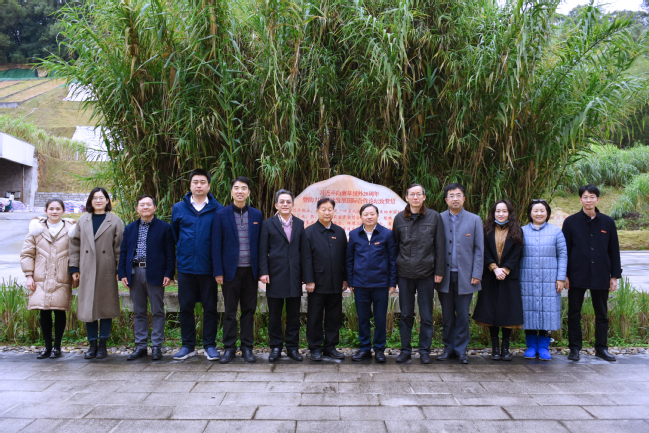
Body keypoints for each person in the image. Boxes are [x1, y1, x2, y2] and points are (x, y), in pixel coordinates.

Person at [563, 185, 622, 362]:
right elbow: (565, 250)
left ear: (598, 199)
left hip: (601, 273)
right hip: (576, 273)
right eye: (585, 197)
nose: (588, 200)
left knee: (602, 313)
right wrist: (564, 274)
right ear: (580, 199)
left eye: (592, 196)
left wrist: (614, 276)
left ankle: (601, 348)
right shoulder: (570, 222)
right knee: (574, 312)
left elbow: (614, 250)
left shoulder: (608, 222)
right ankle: (574, 348)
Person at [171, 169, 223, 361]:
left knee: (210, 308)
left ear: (209, 185)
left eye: (202, 182)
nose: (199, 185)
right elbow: (175, 234)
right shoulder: (179, 208)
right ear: (190, 185)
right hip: (185, 267)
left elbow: (220, 238)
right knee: (185, 307)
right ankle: (188, 345)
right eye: (195, 182)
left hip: (208, 268)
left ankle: (210, 345)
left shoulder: (218, 209)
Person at [392, 183, 445, 364]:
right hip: (404, 274)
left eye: (418, 194)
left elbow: (439, 246)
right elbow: (395, 247)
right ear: (406, 197)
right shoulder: (399, 219)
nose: (415, 197)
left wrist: (439, 271)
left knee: (426, 315)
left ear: (424, 197)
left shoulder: (434, 217)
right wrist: (394, 275)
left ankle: (424, 351)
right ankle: (405, 350)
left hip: (426, 274)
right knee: (406, 314)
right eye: (412, 194)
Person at [69, 188, 125, 359]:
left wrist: (119, 269)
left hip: (106, 269)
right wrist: (74, 268)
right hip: (86, 269)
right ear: (90, 201)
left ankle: (103, 345)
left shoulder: (115, 221)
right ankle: (92, 344)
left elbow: (119, 247)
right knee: (88, 307)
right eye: (95, 198)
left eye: (102, 198)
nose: (98, 201)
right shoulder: (83, 220)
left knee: (106, 307)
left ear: (107, 200)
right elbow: (74, 245)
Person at [118, 195, 175, 361]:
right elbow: (123, 252)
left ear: (154, 208)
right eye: (141, 205)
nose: (145, 207)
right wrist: (122, 273)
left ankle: (157, 346)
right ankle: (141, 346)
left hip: (155, 273)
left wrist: (168, 273)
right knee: (139, 311)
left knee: (158, 310)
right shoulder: (130, 228)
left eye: (148, 204)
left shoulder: (165, 228)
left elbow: (170, 253)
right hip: (134, 272)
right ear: (137, 208)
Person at [213, 176, 263, 363]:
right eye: (236, 188)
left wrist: (261, 271)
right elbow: (216, 245)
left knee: (249, 310)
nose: (240, 191)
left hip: (250, 271)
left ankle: (247, 347)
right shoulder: (221, 214)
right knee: (230, 311)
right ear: (231, 191)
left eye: (244, 188)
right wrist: (218, 271)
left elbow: (261, 245)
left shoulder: (257, 215)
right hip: (229, 272)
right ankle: (229, 348)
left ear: (249, 192)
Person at [20, 199, 76, 359]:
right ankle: (47, 346)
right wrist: (29, 275)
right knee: (44, 311)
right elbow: (27, 254)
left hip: (62, 277)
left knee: (60, 311)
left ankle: (57, 347)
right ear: (46, 211)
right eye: (51, 208)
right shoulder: (36, 229)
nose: (54, 211)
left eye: (58, 208)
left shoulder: (71, 230)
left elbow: (75, 253)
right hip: (41, 277)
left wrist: (75, 272)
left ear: (63, 211)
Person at [472, 200, 524, 361]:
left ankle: (505, 348)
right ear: (493, 213)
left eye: (504, 211)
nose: (501, 214)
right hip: (490, 275)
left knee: (507, 311)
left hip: (509, 276)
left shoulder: (517, 230)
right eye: (498, 211)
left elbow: (517, 252)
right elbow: (483, 250)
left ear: (509, 213)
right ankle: (495, 347)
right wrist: (494, 268)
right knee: (491, 312)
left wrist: (506, 269)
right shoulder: (486, 230)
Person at [437, 183, 484, 365]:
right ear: (446, 200)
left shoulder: (474, 220)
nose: (455, 199)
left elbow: (479, 249)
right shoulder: (439, 218)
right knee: (447, 315)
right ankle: (448, 348)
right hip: (445, 275)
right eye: (451, 195)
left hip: (466, 275)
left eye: (458, 195)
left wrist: (477, 273)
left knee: (463, 315)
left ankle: (461, 349)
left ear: (464, 198)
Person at [347, 204, 397, 363]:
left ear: (377, 215)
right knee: (363, 318)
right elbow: (349, 259)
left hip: (381, 284)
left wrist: (392, 282)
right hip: (360, 284)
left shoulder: (387, 234)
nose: (369, 217)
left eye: (372, 214)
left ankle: (380, 349)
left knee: (380, 319)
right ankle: (364, 349)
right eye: (366, 214)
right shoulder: (354, 234)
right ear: (361, 216)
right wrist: (351, 281)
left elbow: (392, 260)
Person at [259, 189, 305, 362]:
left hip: (294, 275)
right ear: (276, 205)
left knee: (294, 314)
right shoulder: (267, 224)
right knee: (274, 315)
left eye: (288, 202)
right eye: (282, 202)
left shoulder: (299, 223)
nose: (285, 204)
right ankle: (276, 347)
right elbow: (262, 250)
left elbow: (303, 252)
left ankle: (293, 347)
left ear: (293, 205)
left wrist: (305, 276)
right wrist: (264, 271)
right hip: (275, 274)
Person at [520, 200, 567, 361]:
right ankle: (531, 346)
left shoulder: (556, 232)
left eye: (542, 211)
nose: (539, 214)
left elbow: (562, 255)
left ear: (547, 213)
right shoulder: (522, 231)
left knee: (548, 313)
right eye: (536, 211)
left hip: (550, 281)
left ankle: (544, 346)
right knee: (529, 312)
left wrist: (561, 278)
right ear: (530, 213)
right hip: (527, 279)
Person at [302, 198, 348, 361]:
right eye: (323, 209)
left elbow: (344, 257)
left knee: (334, 316)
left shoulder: (339, 232)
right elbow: (306, 258)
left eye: (330, 209)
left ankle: (330, 347)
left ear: (334, 211)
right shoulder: (309, 232)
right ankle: (315, 347)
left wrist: (345, 279)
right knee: (314, 316)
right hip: (317, 283)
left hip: (336, 282)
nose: (327, 212)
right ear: (317, 211)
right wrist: (309, 280)